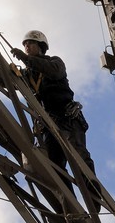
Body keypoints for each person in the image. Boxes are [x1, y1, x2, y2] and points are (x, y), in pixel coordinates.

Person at [13, 29, 97, 188]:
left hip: (68, 117)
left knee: (79, 155)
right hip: (48, 124)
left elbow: (53, 71)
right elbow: (11, 82)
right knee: (55, 165)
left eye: (30, 43)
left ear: (40, 46)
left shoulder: (55, 62)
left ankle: (91, 187)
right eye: (25, 45)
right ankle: (71, 203)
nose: (27, 47)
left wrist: (26, 59)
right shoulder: (27, 75)